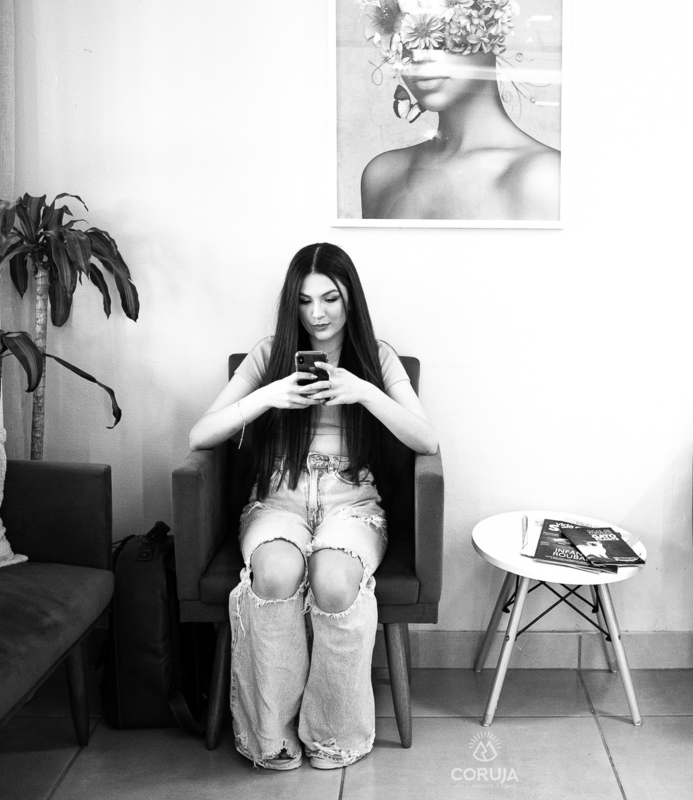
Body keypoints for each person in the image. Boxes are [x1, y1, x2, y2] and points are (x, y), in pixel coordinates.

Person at [188, 242, 438, 771]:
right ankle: (275, 735)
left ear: (351, 299)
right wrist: (268, 396)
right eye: (304, 301)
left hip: (352, 502)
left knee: (335, 583)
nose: (317, 314)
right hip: (278, 499)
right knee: (275, 575)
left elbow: (426, 440)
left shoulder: (377, 357)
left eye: (330, 299)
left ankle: (333, 735)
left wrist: (364, 391)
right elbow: (200, 434)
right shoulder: (269, 355)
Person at [357, 0, 560, 221]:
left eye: (441, 33)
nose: (419, 56)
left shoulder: (543, 178)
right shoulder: (383, 175)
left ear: (490, 28)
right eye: (404, 39)